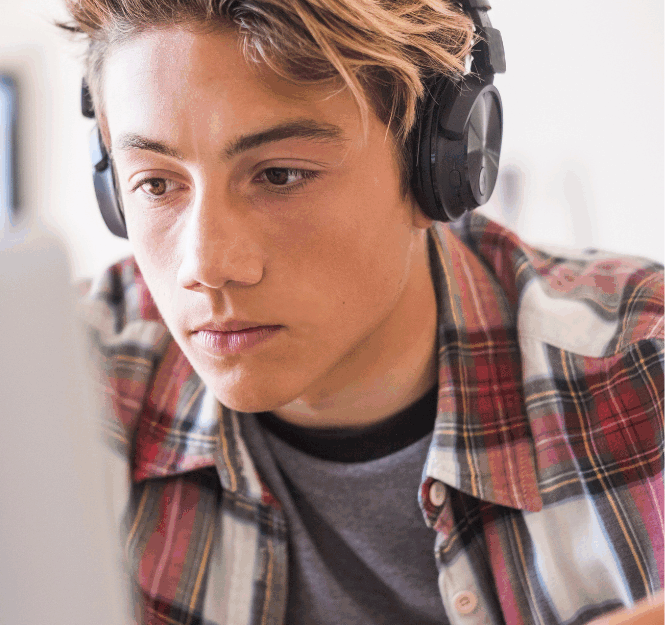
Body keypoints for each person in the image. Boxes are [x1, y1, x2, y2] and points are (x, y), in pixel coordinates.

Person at [60, 1, 664, 624]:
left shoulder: (645, 362)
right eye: (156, 184)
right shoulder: (56, 388)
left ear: (442, 169)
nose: (206, 266)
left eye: (280, 175)